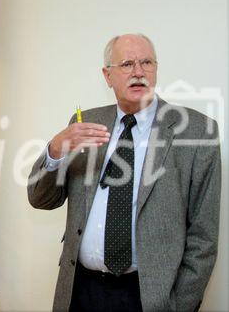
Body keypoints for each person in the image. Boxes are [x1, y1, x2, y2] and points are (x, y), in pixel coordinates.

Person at [27, 34, 221, 312]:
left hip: (149, 298)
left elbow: (204, 237)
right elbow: (41, 199)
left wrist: (179, 304)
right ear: (108, 75)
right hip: (80, 291)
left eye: (146, 62)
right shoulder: (85, 123)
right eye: (127, 64)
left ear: (156, 68)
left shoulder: (198, 132)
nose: (139, 72)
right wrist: (55, 150)